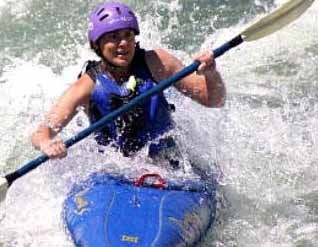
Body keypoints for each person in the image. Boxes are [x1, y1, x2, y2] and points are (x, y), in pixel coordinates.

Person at [31, 2, 226, 163]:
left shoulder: (157, 62)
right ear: (97, 45)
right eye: (113, 37)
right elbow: (41, 133)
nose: (123, 43)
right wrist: (48, 144)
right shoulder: (87, 86)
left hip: (169, 162)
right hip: (118, 170)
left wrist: (211, 74)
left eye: (128, 35)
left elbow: (214, 100)